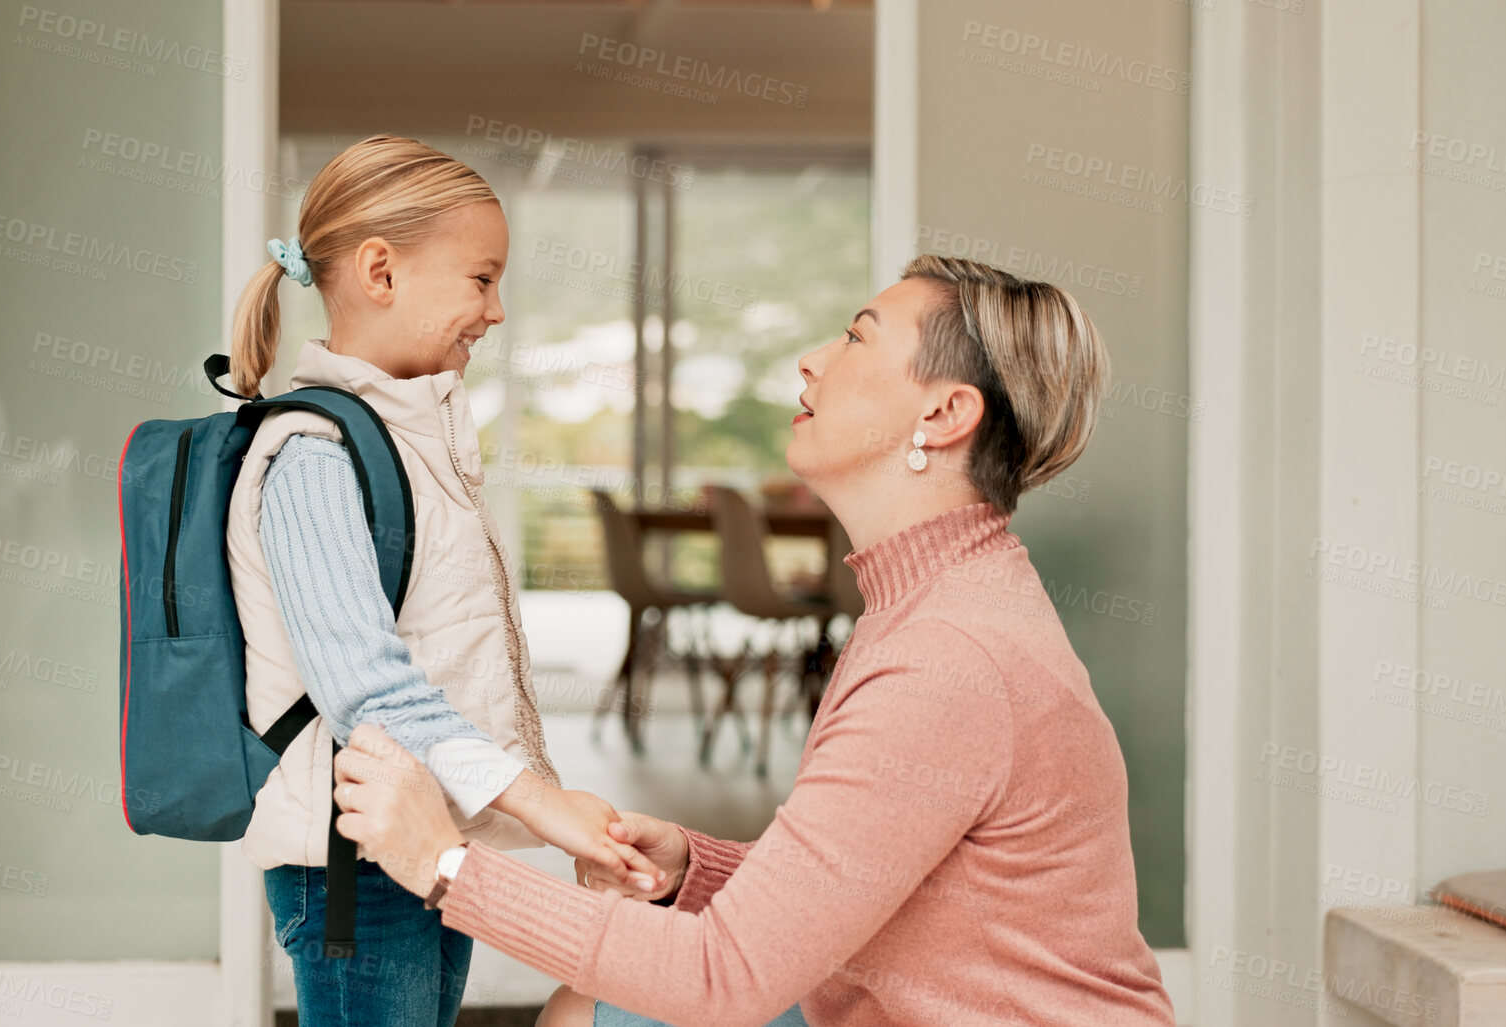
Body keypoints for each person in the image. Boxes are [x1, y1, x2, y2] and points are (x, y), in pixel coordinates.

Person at [330, 255, 1178, 1026]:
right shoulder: (933, 601)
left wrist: (442, 863)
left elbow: (722, 981)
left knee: (590, 1015)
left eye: (855, 338)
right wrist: (695, 867)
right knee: (589, 1006)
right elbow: (884, 879)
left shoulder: (947, 657)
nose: (811, 360)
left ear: (945, 412)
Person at [224, 135, 664, 1027]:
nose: (496, 310)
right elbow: (367, 692)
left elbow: (455, 653)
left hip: (423, 841)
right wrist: (545, 811)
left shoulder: (412, 437)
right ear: (380, 271)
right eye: (480, 279)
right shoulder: (315, 455)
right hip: (351, 866)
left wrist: (547, 798)